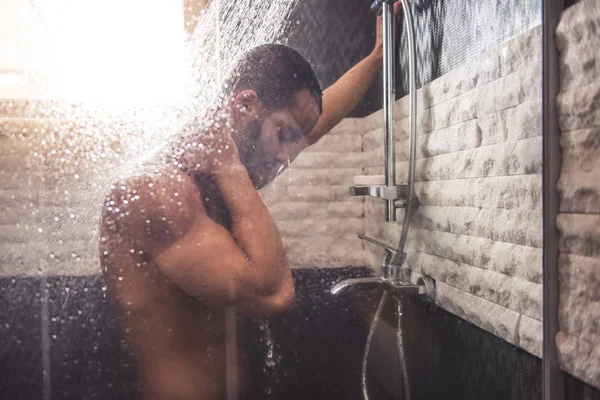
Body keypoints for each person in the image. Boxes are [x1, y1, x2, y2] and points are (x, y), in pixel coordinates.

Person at [100, 6, 400, 400]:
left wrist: (378, 55)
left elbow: (316, 126)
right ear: (243, 104)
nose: (287, 158)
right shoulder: (157, 193)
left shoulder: (230, 162)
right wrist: (229, 169)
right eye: (285, 134)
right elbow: (274, 293)